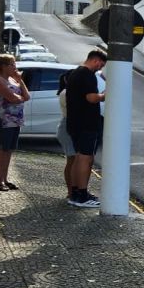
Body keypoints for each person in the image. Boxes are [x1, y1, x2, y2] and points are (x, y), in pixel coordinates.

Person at [66, 49, 107, 208]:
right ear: (96, 61)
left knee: (78, 157)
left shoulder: (75, 73)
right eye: (101, 65)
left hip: (75, 122)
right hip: (87, 123)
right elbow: (91, 98)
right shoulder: (88, 75)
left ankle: (75, 192)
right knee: (86, 158)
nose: (100, 68)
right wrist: (105, 95)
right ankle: (82, 195)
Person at [0, 54, 30, 192]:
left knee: (8, 150)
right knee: (1, 149)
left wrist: (20, 81)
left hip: (15, 120)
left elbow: (26, 96)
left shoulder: (13, 79)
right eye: (12, 64)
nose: (15, 67)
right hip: (3, 120)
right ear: (4, 66)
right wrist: (19, 97)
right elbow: (13, 98)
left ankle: (5, 179)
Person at [56, 70, 77, 201]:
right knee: (71, 160)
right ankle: (71, 191)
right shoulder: (67, 93)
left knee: (74, 160)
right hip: (67, 127)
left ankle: (73, 189)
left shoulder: (71, 92)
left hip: (71, 127)